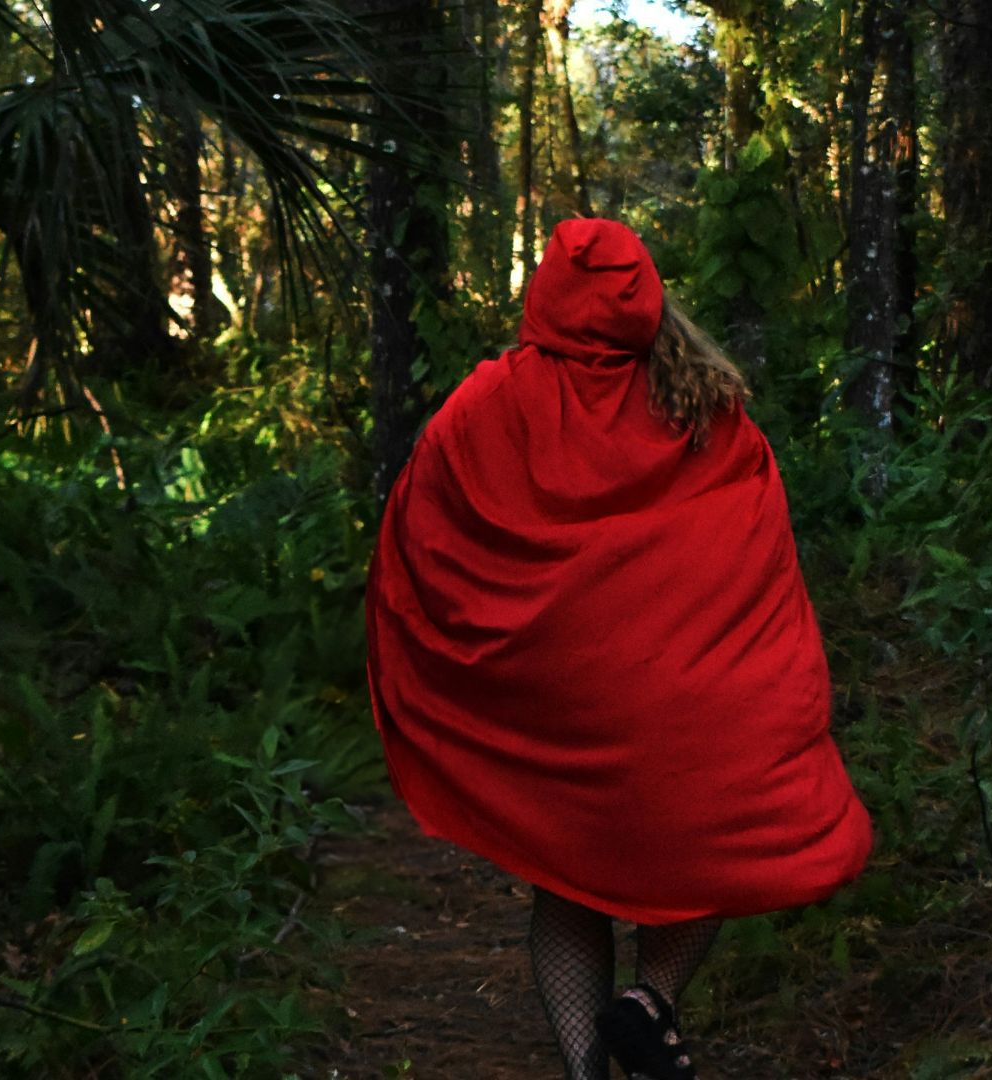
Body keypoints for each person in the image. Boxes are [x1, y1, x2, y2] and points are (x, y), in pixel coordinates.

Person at [364, 216, 874, 1080]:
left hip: (561, 718)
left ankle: (584, 1068)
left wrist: (451, 661)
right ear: (648, 299)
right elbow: (759, 561)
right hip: (692, 712)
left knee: (568, 880)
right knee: (717, 849)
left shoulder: (488, 403)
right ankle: (651, 1006)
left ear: (547, 299)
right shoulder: (706, 403)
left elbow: (418, 523)